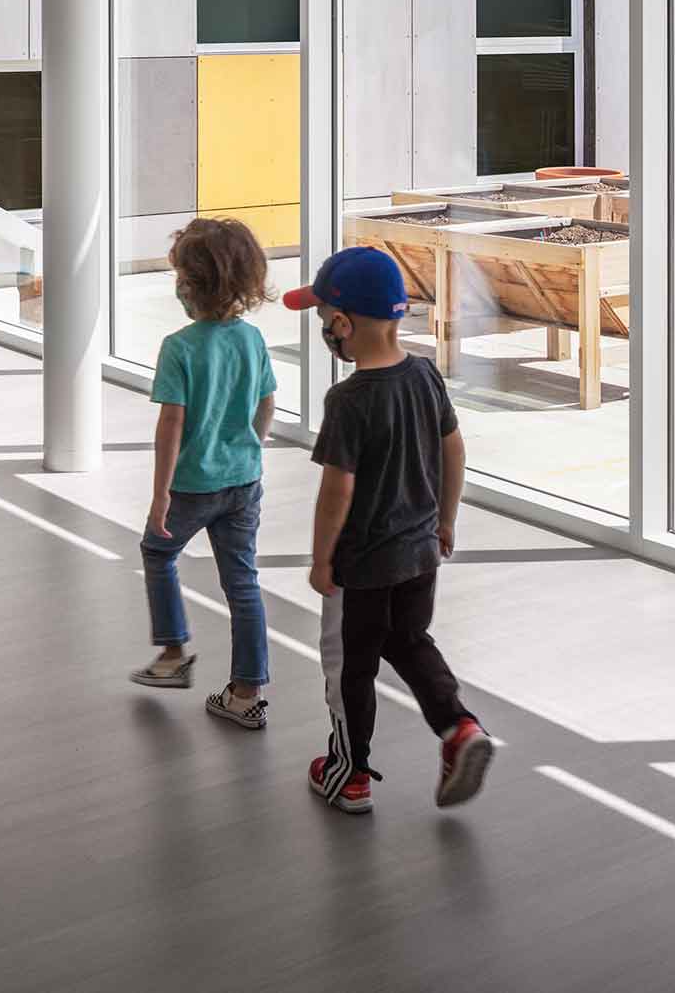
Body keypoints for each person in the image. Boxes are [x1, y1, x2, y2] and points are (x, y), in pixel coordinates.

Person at [288, 247, 496, 816]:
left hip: (362, 567)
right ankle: (458, 727)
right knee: (409, 641)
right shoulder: (425, 373)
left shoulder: (348, 400)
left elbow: (338, 491)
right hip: (421, 552)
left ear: (342, 326)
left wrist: (321, 560)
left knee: (350, 667)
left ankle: (349, 772)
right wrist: (446, 518)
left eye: (322, 317)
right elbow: (453, 447)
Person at [130, 218, 278, 730]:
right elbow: (266, 404)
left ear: (191, 286)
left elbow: (171, 425)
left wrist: (159, 496)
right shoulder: (252, 339)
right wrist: (250, 447)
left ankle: (173, 654)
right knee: (243, 584)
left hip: (193, 485)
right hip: (244, 481)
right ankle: (246, 691)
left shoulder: (180, 347)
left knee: (157, 550)